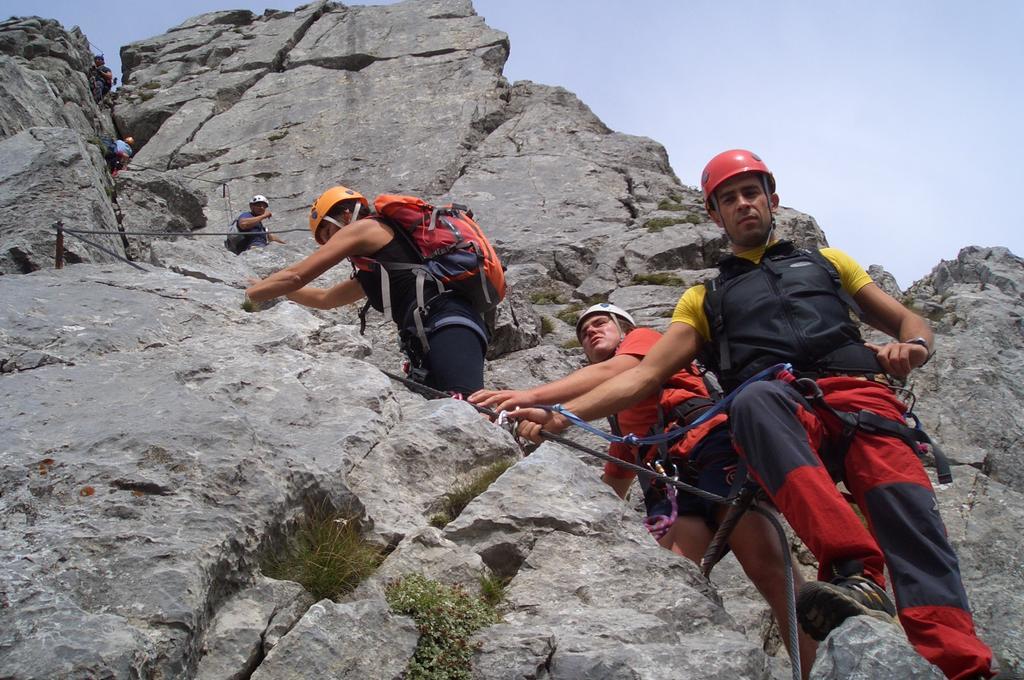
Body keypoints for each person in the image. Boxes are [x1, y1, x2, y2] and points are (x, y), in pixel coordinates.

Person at [511, 150, 998, 679]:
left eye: (751, 193)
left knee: (914, 527)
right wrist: (562, 415)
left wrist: (915, 345)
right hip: (779, 405)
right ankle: (854, 570)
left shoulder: (829, 263)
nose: (743, 204)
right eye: (728, 199)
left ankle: (963, 666)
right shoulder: (704, 297)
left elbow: (907, 319)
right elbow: (643, 376)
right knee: (754, 400)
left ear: (772, 199)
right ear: (714, 216)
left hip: (863, 400)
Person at [471, 302, 816, 675]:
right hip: (672, 488)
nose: (590, 332)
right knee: (671, 580)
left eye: (600, 324)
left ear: (623, 329)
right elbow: (615, 484)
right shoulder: (621, 419)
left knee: (768, 568)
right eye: (584, 332)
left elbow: (622, 370)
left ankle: (818, 666)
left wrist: (536, 401)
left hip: (714, 451)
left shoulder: (645, 341)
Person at [245, 185, 487, 395]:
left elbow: (296, 276)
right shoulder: (380, 265)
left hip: (448, 325)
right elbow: (326, 298)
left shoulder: (366, 228)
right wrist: (272, 289)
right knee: (458, 413)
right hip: (437, 332)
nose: (332, 244)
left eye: (329, 233)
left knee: (471, 408)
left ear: (347, 215)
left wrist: (246, 297)